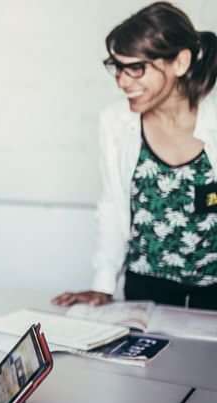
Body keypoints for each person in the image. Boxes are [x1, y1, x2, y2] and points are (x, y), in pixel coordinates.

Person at [54, 2, 217, 309]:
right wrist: (102, 285)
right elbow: (113, 205)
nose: (122, 81)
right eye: (117, 66)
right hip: (145, 288)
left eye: (136, 68)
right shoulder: (115, 122)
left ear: (180, 62)